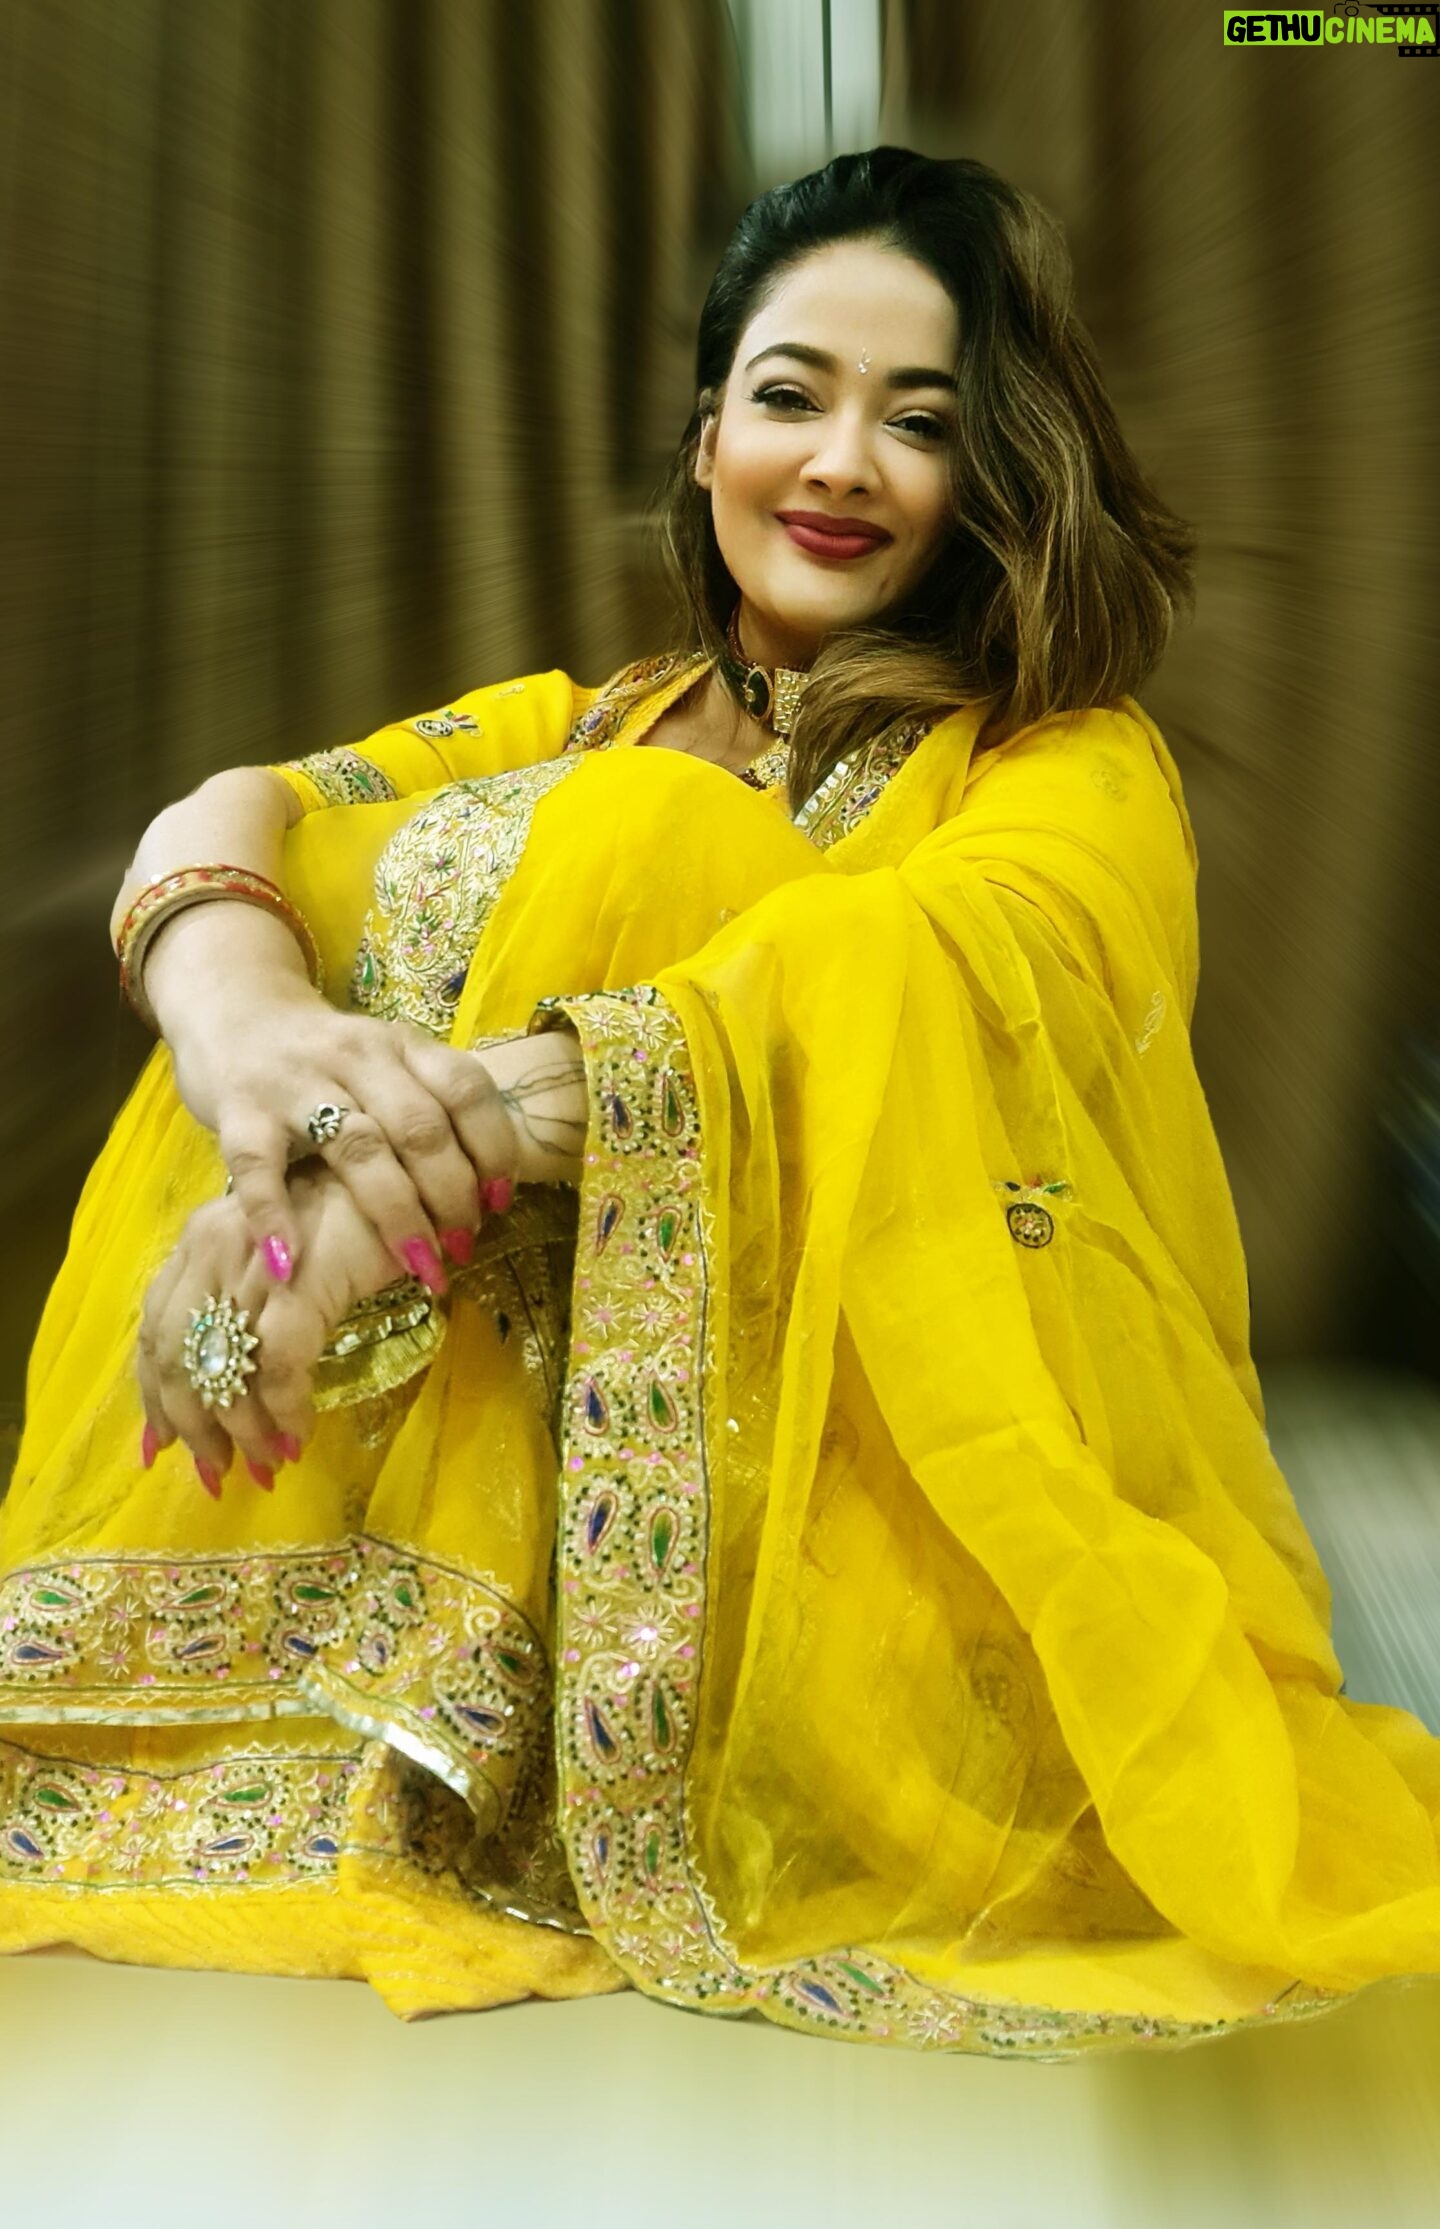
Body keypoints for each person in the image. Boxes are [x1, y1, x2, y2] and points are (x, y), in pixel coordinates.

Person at [3, 148, 1437, 2058]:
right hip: (495, 1467)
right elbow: (237, 810)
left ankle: (555, 1712)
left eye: (919, 421)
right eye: (791, 396)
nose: (842, 462)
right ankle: (372, 1668)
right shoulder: (590, 719)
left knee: (670, 858)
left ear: (995, 478)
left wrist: (354, 1213)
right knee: (398, 856)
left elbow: (895, 993)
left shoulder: (1063, 769)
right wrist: (253, 1040)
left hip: (861, 1542)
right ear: (706, 447)